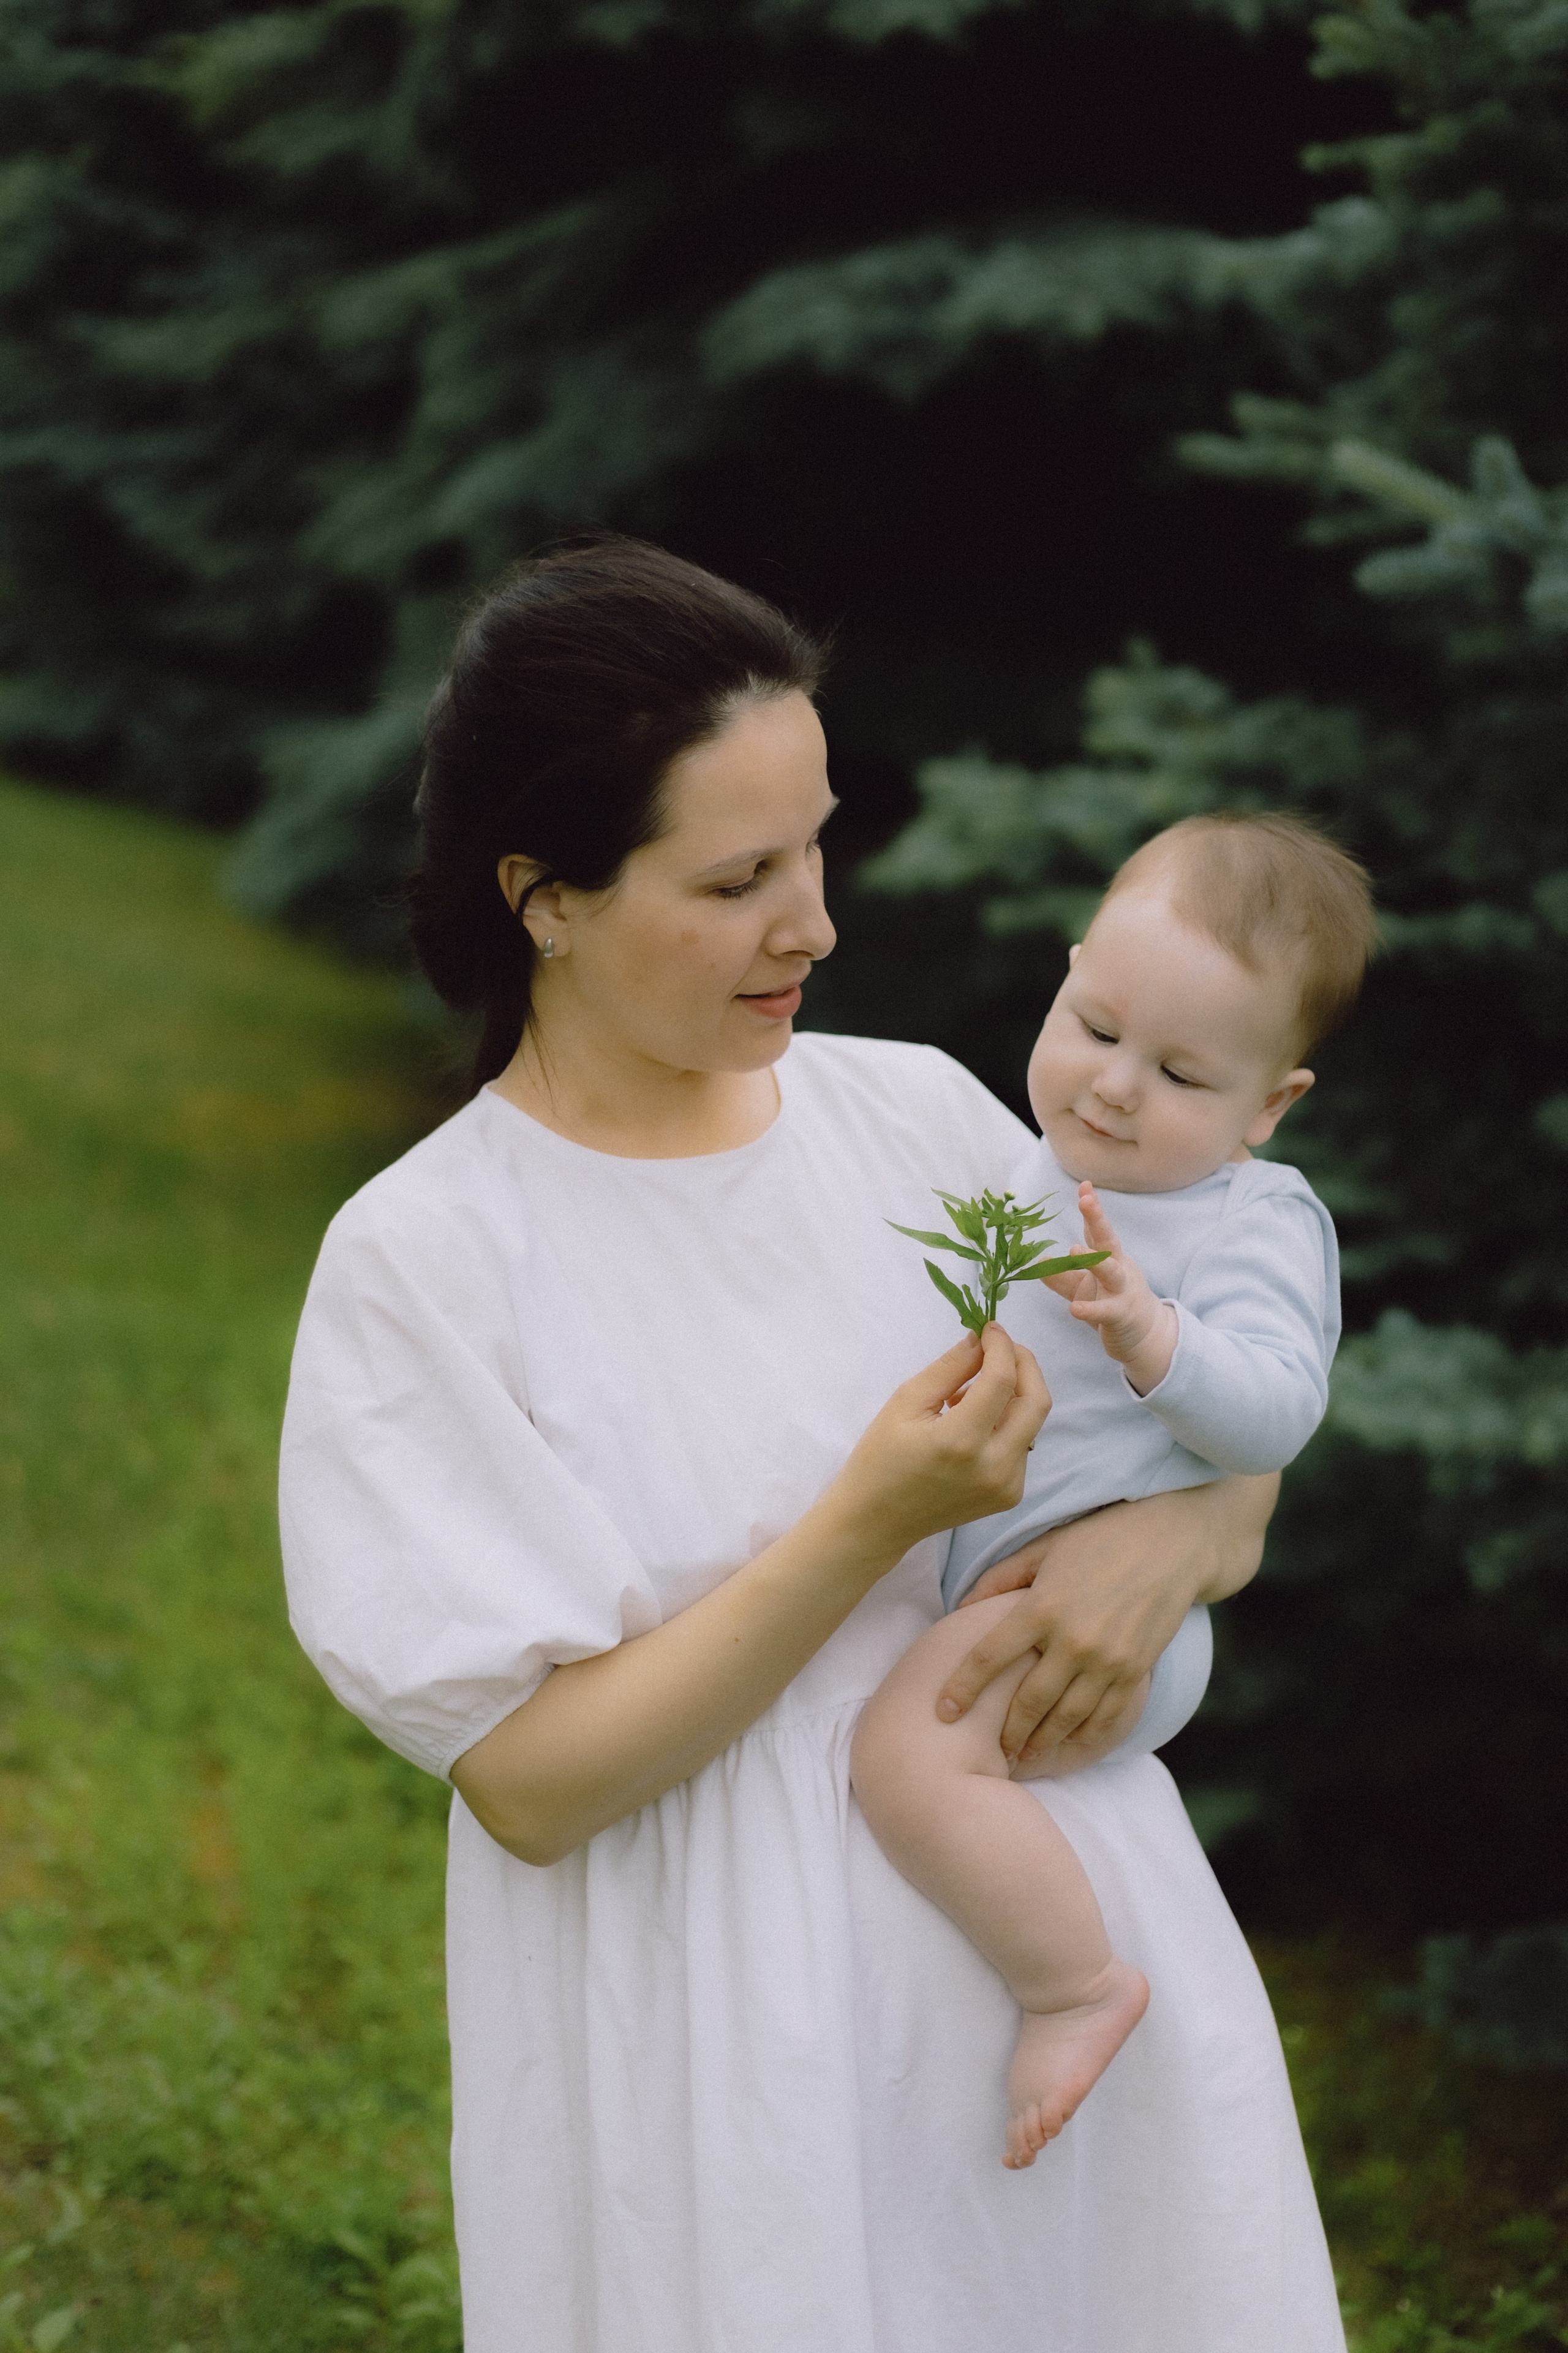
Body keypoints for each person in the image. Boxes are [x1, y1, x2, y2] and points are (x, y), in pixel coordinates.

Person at [278, 537, 1348, 2353]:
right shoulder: (432, 1259)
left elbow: (1221, 1369)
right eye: (739, 876)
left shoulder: (920, 1120)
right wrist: (865, 1523)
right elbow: (533, 1783)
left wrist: (1184, 1537)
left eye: (818, 842)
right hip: (726, 2049)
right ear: (545, 895)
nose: (817, 922)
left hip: (1064, 1967)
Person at [851, 813, 1375, 2169]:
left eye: (1183, 1072)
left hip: (1094, 1618)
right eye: (1094, 1026)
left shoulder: (1251, 1218)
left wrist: (1154, 1338)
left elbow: (1277, 1406)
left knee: (905, 1753)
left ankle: (1074, 1984)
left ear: (1267, 1105)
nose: (1114, 1087)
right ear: (1069, 971)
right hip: (1013, 1579)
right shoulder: (1026, 1169)